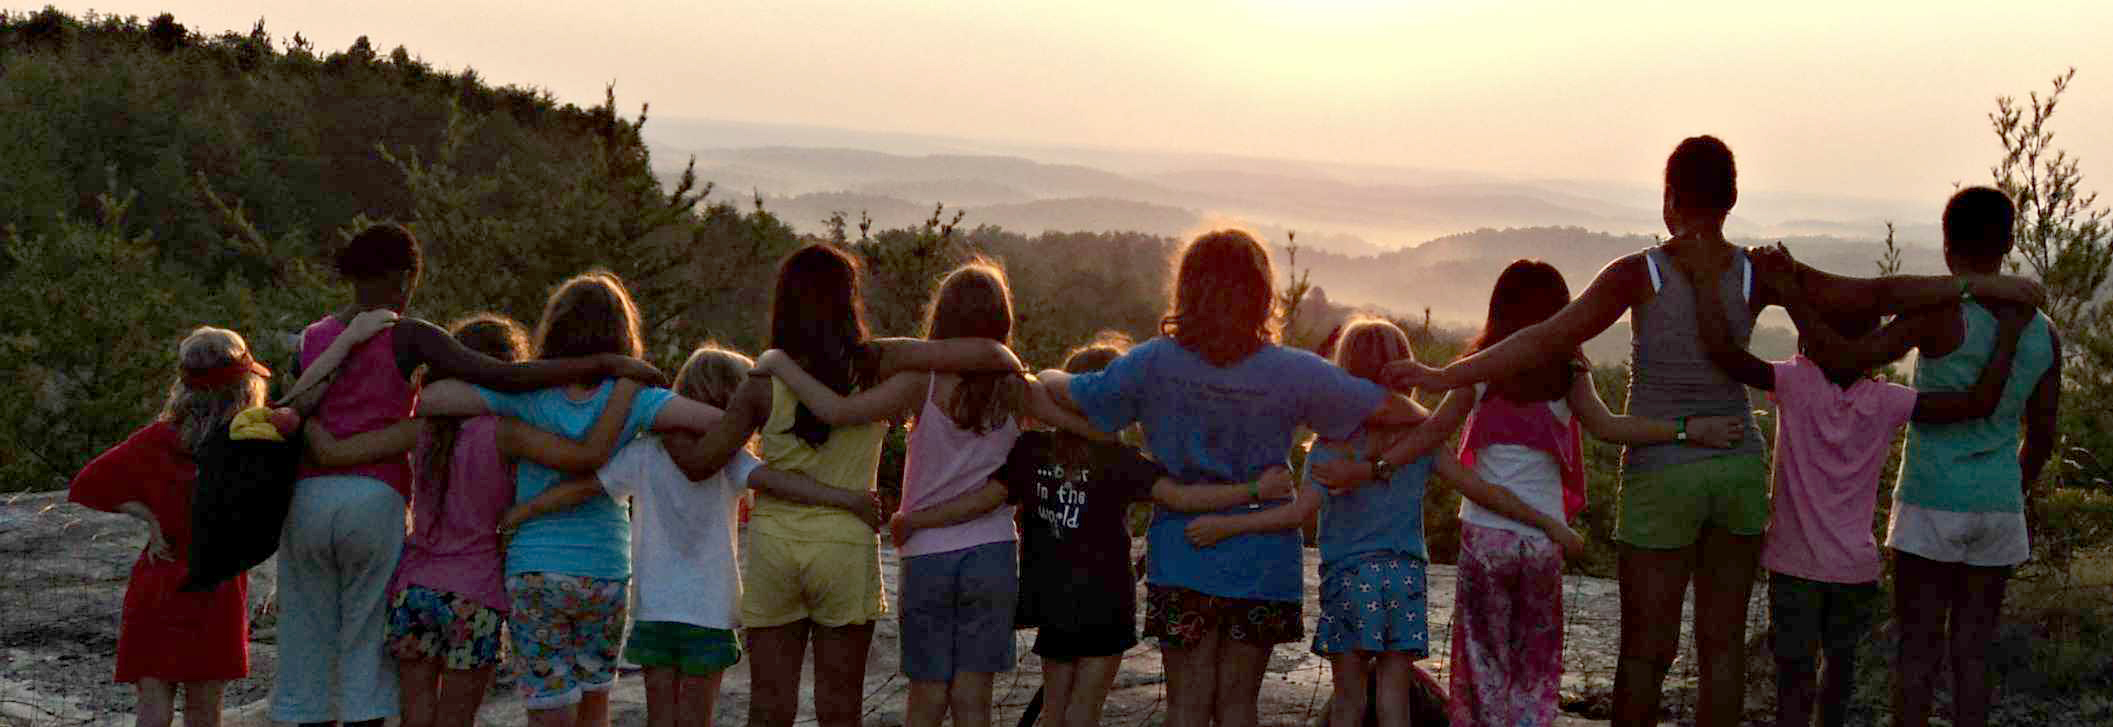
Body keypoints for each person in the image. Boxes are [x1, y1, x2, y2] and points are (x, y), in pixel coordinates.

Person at [1381, 138, 2045, 727]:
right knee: (1719, 647)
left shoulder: (1635, 272)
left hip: (1660, 470)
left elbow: (1541, 338)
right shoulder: (1755, 271)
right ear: (1730, 199)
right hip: (1734, 462)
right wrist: (1986, 287)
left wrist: (1440, 374)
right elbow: (1871, 295)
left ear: (1669, 199)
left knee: (1646, 650)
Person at [1035, 229, 1434, 727]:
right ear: (1262, 294)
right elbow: (1410, 414)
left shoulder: (1152, 363)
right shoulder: (1295, 372)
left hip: (1183, 554)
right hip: (1263, 564)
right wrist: (1373, 462)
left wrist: (1042, 376)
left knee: (1185, 706)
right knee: (1240, 706)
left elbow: (1071, 394)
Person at [1314, 263, 1740, 727]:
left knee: (1483, 662)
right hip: (1541, 542)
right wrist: (1687, 431)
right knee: (1534, 663)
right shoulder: (1570, 372)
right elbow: (1611, 427)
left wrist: (1370, 466)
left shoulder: (1480, 370)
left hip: (1485, 539)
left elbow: (1431, 431)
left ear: (1497, 309)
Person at [272, 225, 664, 727]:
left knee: (321, 646)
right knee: (401, 688)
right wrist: (613, 370)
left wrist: (319, 439)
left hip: (367, 548)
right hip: (449, 572)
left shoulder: (331, 354)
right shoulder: (476, 402)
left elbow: (327, 439)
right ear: (407, 277)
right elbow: (550, 422)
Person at [1673, 221, 2032, 727]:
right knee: (1837, 681)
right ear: (1873, 346)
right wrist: (2009, 337)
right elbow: (1980, 402)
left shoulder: (1794, 383)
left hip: (1794, 565)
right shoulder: (1888, 401)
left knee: (1792, 682)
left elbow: (1726, 355)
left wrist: (1711, 281)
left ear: (1809, 340)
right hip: (1855, 570)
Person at [661, 244, 1026, 727]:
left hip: (775, 548)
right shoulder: (874, 371)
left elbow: (702, 463)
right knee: (839, 707)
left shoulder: (763, 382)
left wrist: (657, 419)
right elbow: (988, 352)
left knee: (770, 705)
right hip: (846, 547)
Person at [753, 260, 1100, 727]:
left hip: (926, 554)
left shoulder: (921, 381)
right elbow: (1086, 429)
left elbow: (837, 411)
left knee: (927, 696)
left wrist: (777, 363)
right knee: (974, 700)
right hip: (993, 552)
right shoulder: (1017, 387)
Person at [887, 333, 1300, 727]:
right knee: (1083, 714)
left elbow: (985, 499)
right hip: (1105, 604)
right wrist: (1252, 490)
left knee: (1054, 713)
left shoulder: (1031, 451)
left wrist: (917, 519)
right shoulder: (1122, 460)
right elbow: (1181, 498)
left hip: (1051, 600)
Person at [1187, 318, 1584, 727]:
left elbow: (1296, 514)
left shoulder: (1332, 447)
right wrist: (1550, 523)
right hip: (1404, 578)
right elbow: (1482, 490)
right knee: (1395, 699)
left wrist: (1224, 525)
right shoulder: (1422, 441)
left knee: (1349, 701)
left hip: (1349, 578)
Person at [411, 271, 731, 727]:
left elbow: (431, 398)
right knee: (595, 702)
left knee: (548, 706)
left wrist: (531, 375)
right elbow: (721, 421)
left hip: (535, 568)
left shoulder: (524, 395)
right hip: (604, 569)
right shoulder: (635, 396)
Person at [504, 346, 816, 727]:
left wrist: (525, 509)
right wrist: (839, 495)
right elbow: (777, 482)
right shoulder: (730, 459)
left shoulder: (644, 452)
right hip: (710, 611)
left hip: (654, 609)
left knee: (660, 720)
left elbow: (586, 487)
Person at [68, 326, 308, 727]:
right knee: (204, 710)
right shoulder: (255, 441)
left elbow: (85, 485)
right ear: (246, 383)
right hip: (218, 586)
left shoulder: (157, 438)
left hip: (159, 581)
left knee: (153, 702)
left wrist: (149, 516)